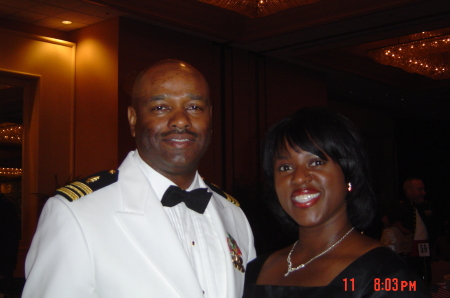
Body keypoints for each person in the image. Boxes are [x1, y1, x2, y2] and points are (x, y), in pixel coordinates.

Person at [22, 59, 256, 298]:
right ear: (133, 119)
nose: (181, 120)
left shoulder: (234, 215)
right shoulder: (75, 214)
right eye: (161, 107)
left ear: (210, 117)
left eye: (194, 107)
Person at [243, 107, 429, 297]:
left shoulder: (388, 277)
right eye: (285, 167)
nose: (298, 178)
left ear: (348, 173)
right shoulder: (254, 270)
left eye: (316, 162)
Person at [395, 178, 434, 286]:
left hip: (424, 248)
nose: (423, 193)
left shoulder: (427, 206)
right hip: (407, 251)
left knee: (426, 275)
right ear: (409, 191)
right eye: (420, 189)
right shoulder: (400, 207)